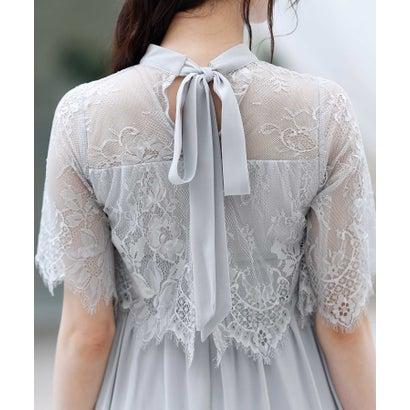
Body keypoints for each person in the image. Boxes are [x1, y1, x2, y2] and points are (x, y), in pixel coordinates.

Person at [35, 0, 376, 409]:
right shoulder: (323, 112)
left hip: (142, 393)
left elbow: (87, 334)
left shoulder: (82, 117)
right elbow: (342, 324)